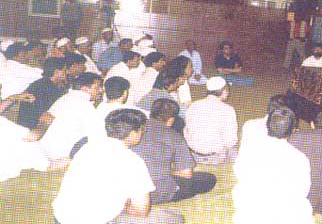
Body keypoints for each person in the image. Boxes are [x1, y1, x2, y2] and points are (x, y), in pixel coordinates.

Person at [52, 108, 184, 224]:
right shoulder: (133, 162)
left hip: (61, 217)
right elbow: (141, 211)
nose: (143, 133)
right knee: (174, 218)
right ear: (133, 133)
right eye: (142, 130)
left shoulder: (87, 147)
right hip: (95, 220)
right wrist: (123, 206)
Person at [232, 107, 314, 224]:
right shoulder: (300, 158)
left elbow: (238, 172)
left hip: (250, 212)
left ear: (267, 125)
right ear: (293, 130)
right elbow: (303, 191)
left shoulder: (250, 149)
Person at [132, 98, 216, 204]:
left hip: (133, 191)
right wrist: (168, 170)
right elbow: (186, 174)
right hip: (159, 193)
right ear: (171, 119)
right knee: (208, 179)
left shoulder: (135, 131)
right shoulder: (175, 136)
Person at [38, 73, 104, 164]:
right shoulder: (84, 105)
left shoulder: (65, 98)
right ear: (84, 89)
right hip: (62, 156)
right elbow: (97, 135)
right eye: (98, 87)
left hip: (44, 151)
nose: (101, 90)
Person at [184, 76, 238, 164]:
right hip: (214, 157)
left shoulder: (193, 105)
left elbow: (186, 130)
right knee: (233, 146)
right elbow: (230, 141)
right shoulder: (228, 110)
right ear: (224, 91)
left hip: (192, 154)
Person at [18, 58, 68, 135]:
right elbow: (51, 113)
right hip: (35, 130)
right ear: (57, 72)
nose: (66, 72)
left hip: (33, 126)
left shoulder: (42, 83)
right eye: (64, 70)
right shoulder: (47, 88)